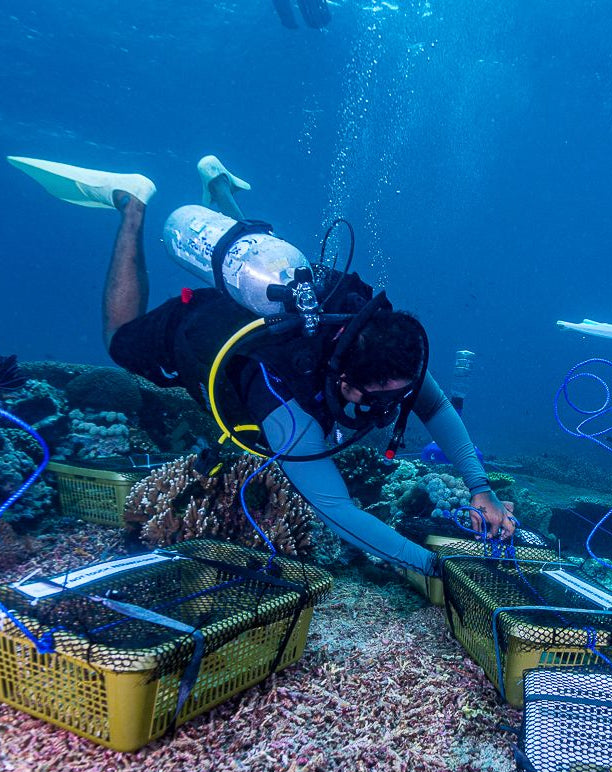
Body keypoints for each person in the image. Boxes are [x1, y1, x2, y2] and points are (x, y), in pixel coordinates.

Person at [8, 154, 515, 578]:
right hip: (203, 328)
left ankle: (219, 185)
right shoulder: (283, 403)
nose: (392, 409)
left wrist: (482, 489)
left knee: (256, 273)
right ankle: (132, 205)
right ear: (345, 379)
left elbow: (438, 405)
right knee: (118, 341)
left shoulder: (380, 346)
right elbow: (337, 511)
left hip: (269, 291)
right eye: (382, 397)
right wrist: (437, 569)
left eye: (398, 395)